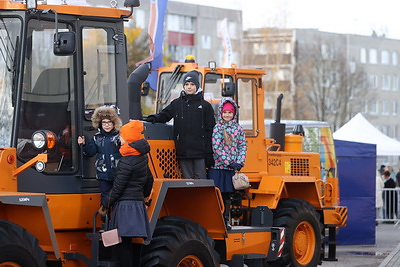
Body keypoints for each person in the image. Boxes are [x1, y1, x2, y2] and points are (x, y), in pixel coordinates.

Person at [99, 120, 153, 267]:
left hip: (125, 206)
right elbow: (150, 180)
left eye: (122, 135)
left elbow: (118, 187)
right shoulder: (142, 157)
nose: (120, 138)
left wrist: (105, 203)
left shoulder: (127, 161)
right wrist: (144, 195)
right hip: (136, 203)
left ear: (129, 139)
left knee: (121, 243)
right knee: (129, 242)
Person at [145, 70, 215, 179]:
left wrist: (208, 152)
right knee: (187, 182)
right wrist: (152, 118)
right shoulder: (177, 104)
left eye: (192, 84)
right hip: (183, 151)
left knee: (201, 181)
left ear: (197, 85)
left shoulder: (206, 106)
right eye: (186, 84)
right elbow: (164, 115)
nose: (189, 87)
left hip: (200, 152)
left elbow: (210, 129)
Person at [207, 97, 247, 229]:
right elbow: (216, 147)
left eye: (230, 112)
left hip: (231, 169)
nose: (227, 115)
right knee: (217, 194)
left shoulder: (238, 129)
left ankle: (225, 220)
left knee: (228, 195)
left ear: (234, 113)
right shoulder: (218, 128)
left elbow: (242, 146)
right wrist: (228, 162)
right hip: (218, 167)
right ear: (221, 113)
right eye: (225, 112)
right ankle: (215, 219)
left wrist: (240, 162)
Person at [78, 106, 122, 206]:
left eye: (109, 122)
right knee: (104, 196)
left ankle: (117, 219)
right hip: (103, 173)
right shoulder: (96, 137)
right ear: (100, 124)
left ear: (114, 123)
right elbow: (90, 152)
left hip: (118, 173)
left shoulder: (119, 137)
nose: (106, 125)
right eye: (104, 123)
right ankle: (105, 219)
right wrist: (84, 144)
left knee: (117, 197)